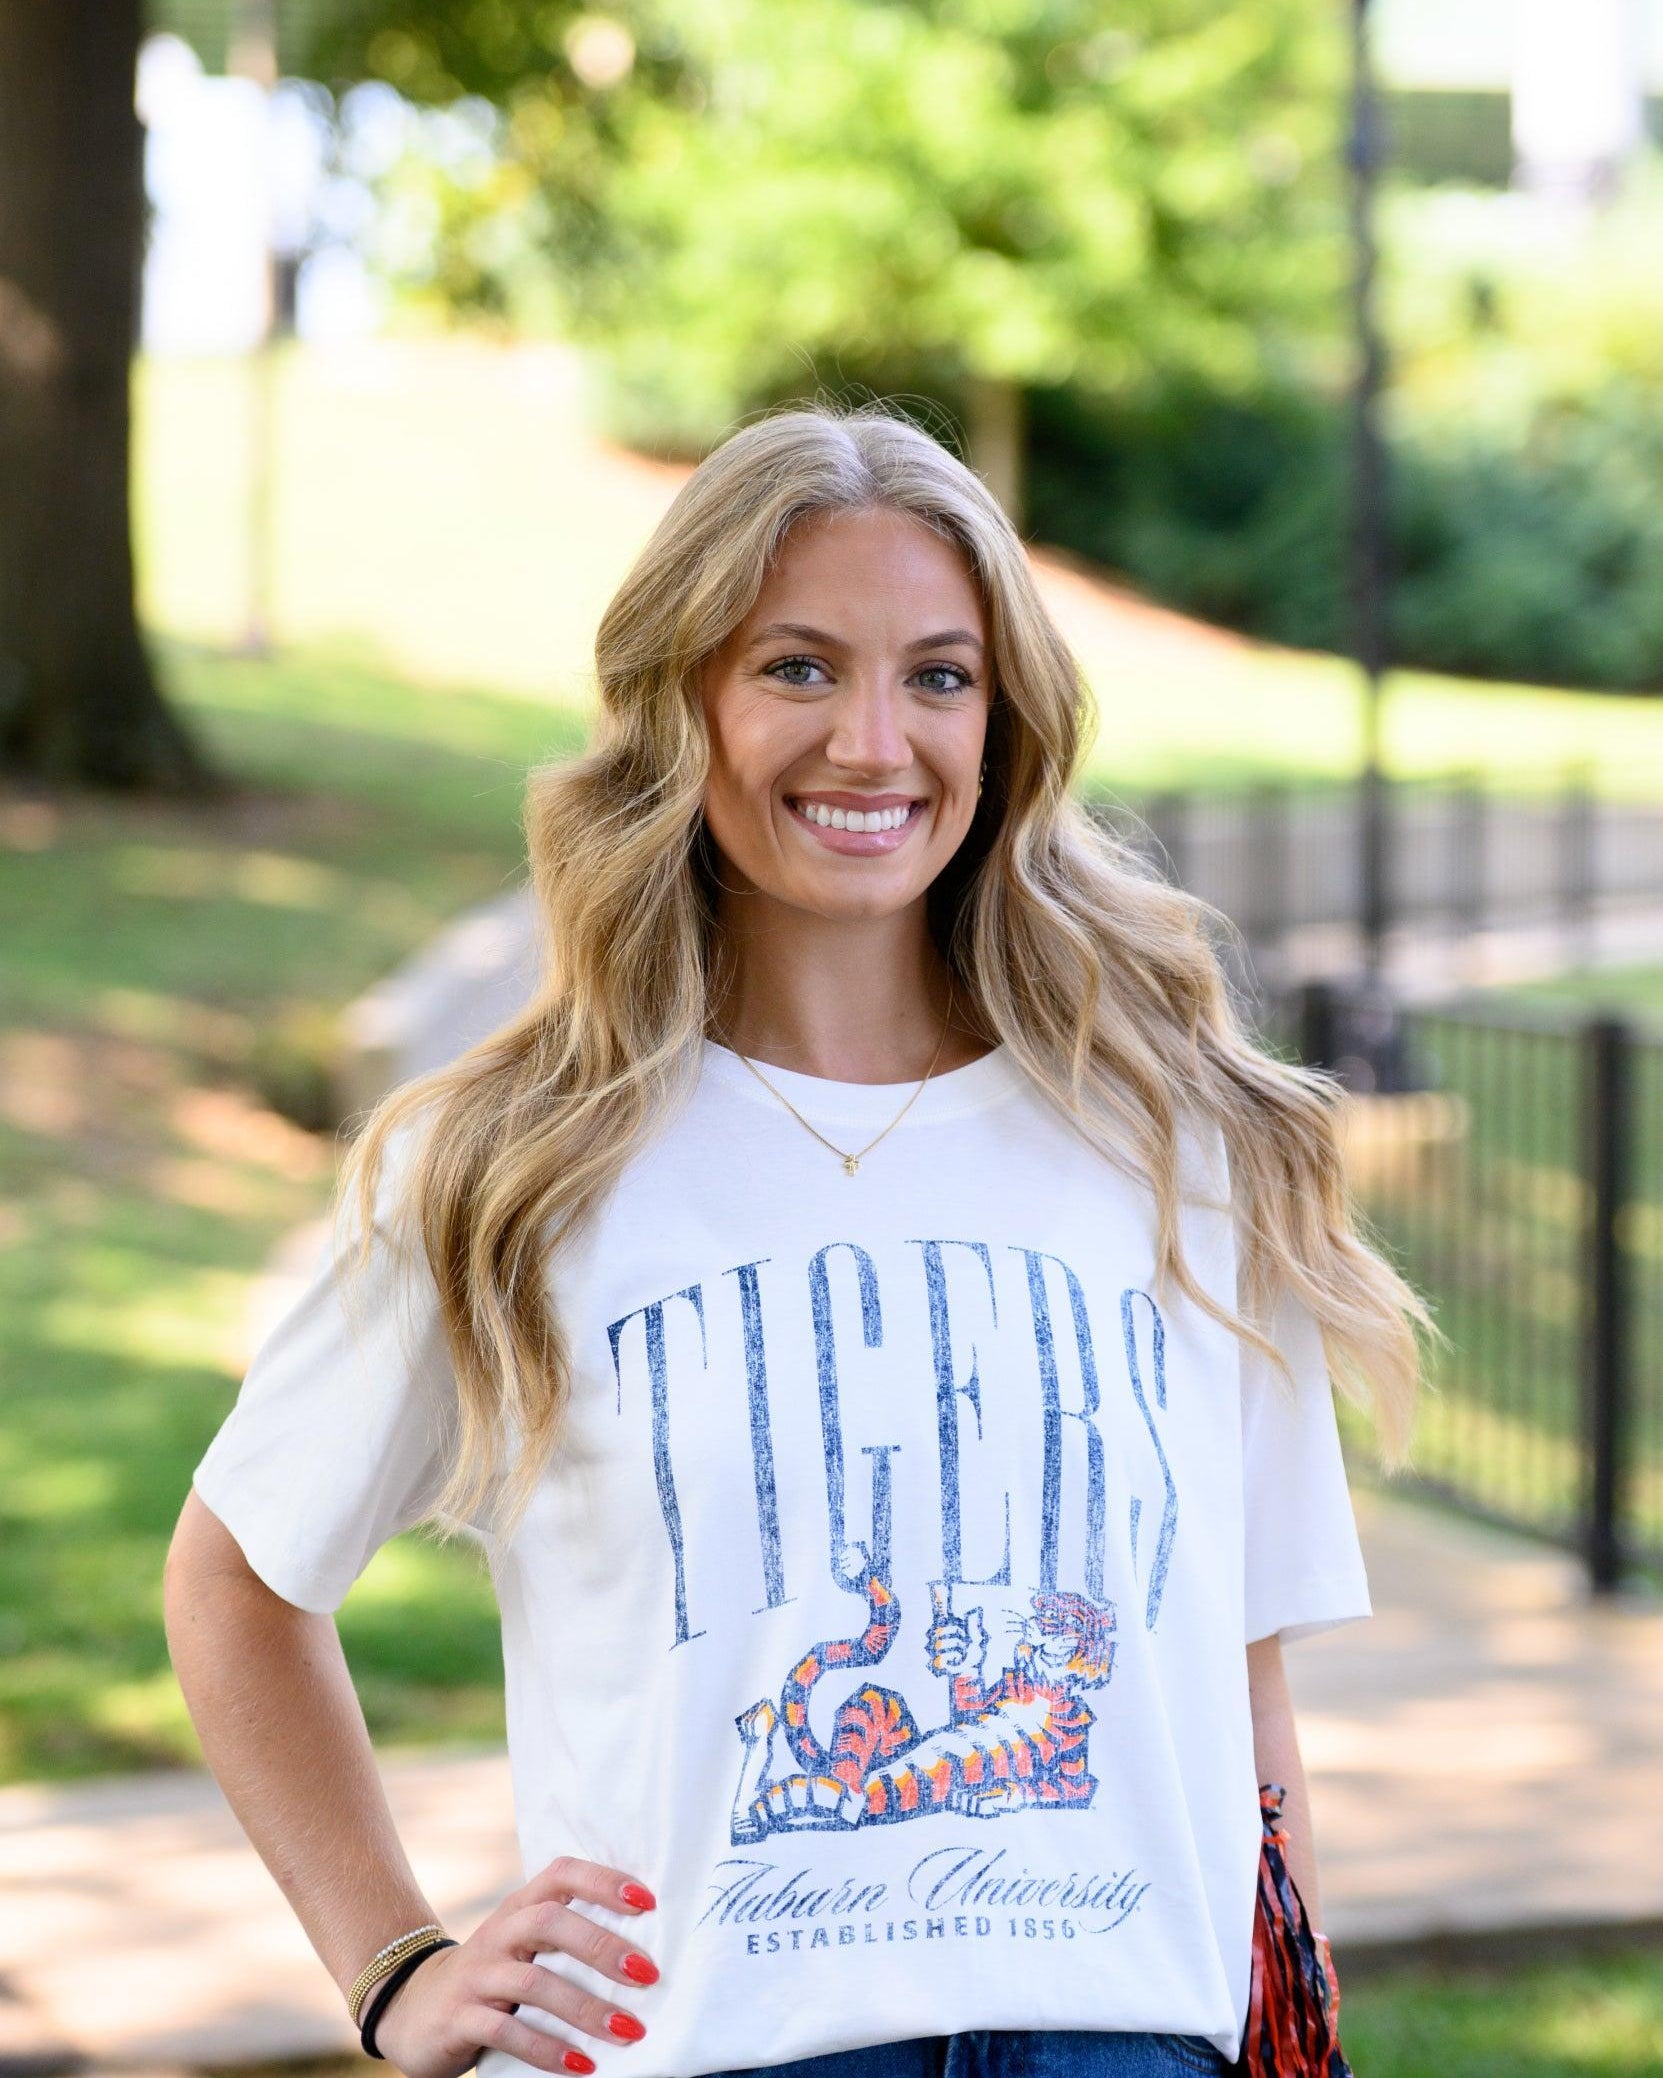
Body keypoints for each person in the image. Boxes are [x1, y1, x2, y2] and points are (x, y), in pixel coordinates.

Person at [165, 401, 1431, 2078]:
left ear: (1006, 722)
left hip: (1129, 2044)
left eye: (939, 674)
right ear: (684, 700)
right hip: (717, 2046)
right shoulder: (518, 1161)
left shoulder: (1180, 1135)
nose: (873, 741)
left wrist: (1296, 2040)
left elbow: (1238, 1683)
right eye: (798, 668)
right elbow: (237, 1575)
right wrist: (398, 1965)